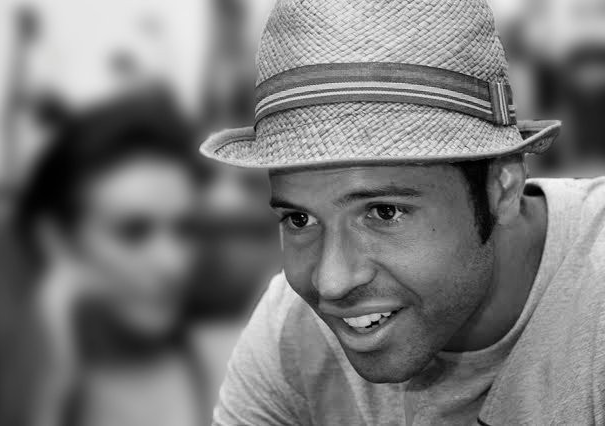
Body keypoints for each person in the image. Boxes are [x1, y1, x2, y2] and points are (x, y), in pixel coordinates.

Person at [200, 0, 605, 424]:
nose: (332, 282)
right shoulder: (290, 333)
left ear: (501, 187)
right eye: (300, 220)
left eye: (384, 212)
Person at [12, 90, 210, 426]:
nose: (173, 264)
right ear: (57, 240)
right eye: (133, 232)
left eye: (184, 230)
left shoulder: (242, 367)